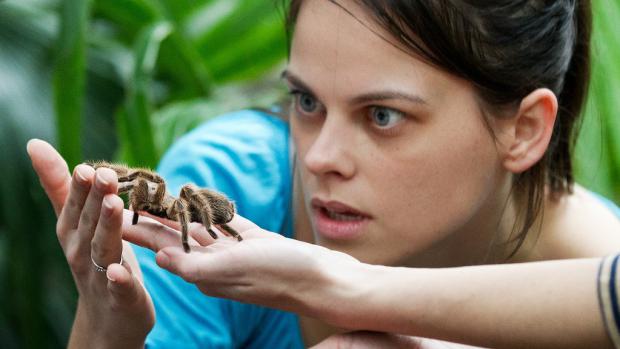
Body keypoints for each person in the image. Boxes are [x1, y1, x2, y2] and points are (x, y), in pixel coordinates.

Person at [27, 0, 620, 347]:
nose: (317, 157)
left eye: (383, 115)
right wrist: (107, 336)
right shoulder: (229, 184)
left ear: (523, 130)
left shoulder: (595, 259)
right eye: (307, 102)